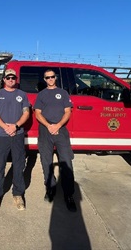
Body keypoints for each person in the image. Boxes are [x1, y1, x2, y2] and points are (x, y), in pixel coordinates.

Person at [34, 69, 77, 212]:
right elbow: (37, 113)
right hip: (45, 130)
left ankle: (69, 195)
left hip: (61, 130)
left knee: (66, 162)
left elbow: (68, 111)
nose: (50, 79)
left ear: (55, 78)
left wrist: (58, 125)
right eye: (48, 77)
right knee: (46, 162)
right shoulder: (41, 95)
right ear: (45, 79)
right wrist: (48, 126)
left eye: (52, 77)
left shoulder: (63, 93)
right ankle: (50, 189)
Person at [0, 69, 30, 212]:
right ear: (4, 79)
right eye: (8, 77)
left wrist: (16, 126)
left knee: (19, 165)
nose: (11, 79)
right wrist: (6, 127)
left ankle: (18, 194)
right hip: (2, 135)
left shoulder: (22, 95)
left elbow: (26, 113)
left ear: (15, 79)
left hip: (17, 135)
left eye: (13, 77)